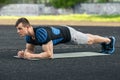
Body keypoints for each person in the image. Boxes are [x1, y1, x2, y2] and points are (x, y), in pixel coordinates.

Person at [15, 17, 116, 60]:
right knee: (87, 37)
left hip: (68, 34)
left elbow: (49, 55)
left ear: (27, 27)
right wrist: (24, 54)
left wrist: (31, 56)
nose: (18, 31)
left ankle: (109, 40)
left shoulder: (42, 34)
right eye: (17, 29)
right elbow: (30, 51)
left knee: (89, 41)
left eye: (20, 29)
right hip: (63, 31)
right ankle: (105, 40)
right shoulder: (29, 37)